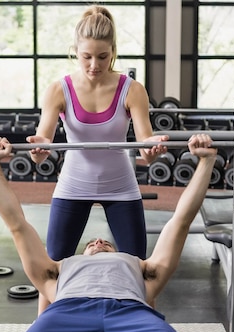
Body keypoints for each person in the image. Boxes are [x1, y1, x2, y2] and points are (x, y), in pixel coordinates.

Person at [0, 135, 220, 332]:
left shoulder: (141, 268)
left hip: (132, 314)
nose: (98, 241)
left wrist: (206, 160)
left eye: (104, 242)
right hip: (68, 313)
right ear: (79, 256)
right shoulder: (56, 271)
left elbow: (181, 220)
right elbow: (16, 223)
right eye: (92, 243)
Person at [26, 5, 168, 270]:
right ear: (75, 52)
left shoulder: (132, 89)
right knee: (53, 268)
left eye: (103, 57)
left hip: (121, 187)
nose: (94, 65)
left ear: (113, 51)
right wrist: (39, 150)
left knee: (138, 269)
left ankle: (142, 313)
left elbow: (146, 150)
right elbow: (43, 142)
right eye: (86, 56)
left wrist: (152, 148)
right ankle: (44, 315)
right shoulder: (59, 90)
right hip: (73, 184)